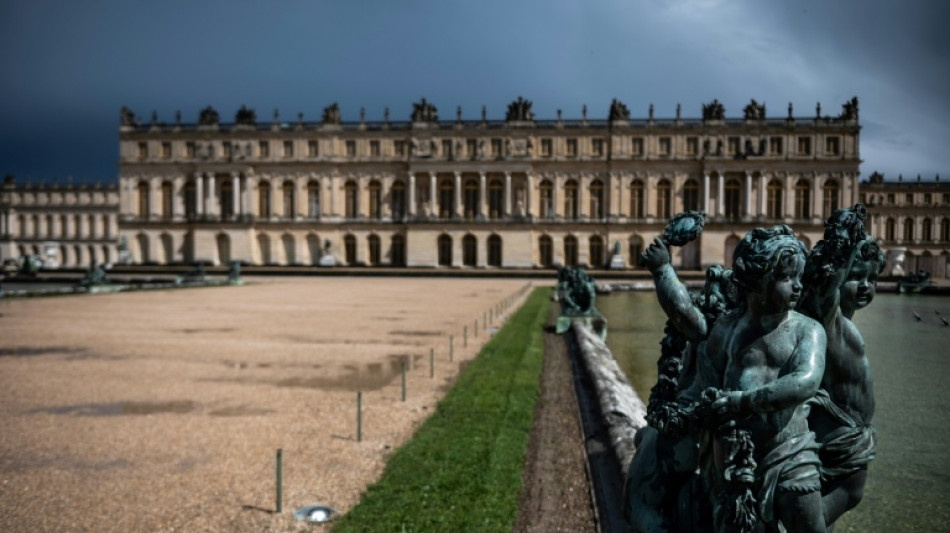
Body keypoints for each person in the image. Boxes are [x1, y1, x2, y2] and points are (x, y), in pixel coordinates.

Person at [703, 225, 827, 533]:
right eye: (787, 278)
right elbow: (706, 379)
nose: (798, 286)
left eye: (800, 277)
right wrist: (706, 403)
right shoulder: (726, 329)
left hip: (791, 454)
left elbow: (805, 381)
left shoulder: (807, 330)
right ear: (757, 281)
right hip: (734, 458)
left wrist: (743, 402)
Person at [625, 238, 734, 532]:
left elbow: (683, 311)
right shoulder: (765, 326)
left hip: (689, 428)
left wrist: (662, 269)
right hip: (731, 431)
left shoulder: (718, 326)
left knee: (637, 503)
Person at [799, 205, 883, 528]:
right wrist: (844, 240)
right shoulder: (830, 317)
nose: (865, 286)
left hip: (849, 434)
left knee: (839, 498)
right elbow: (824, 290)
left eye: (872, 278)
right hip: (836, 435)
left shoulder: (844, 321)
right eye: (857, 277)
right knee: (832, 505)